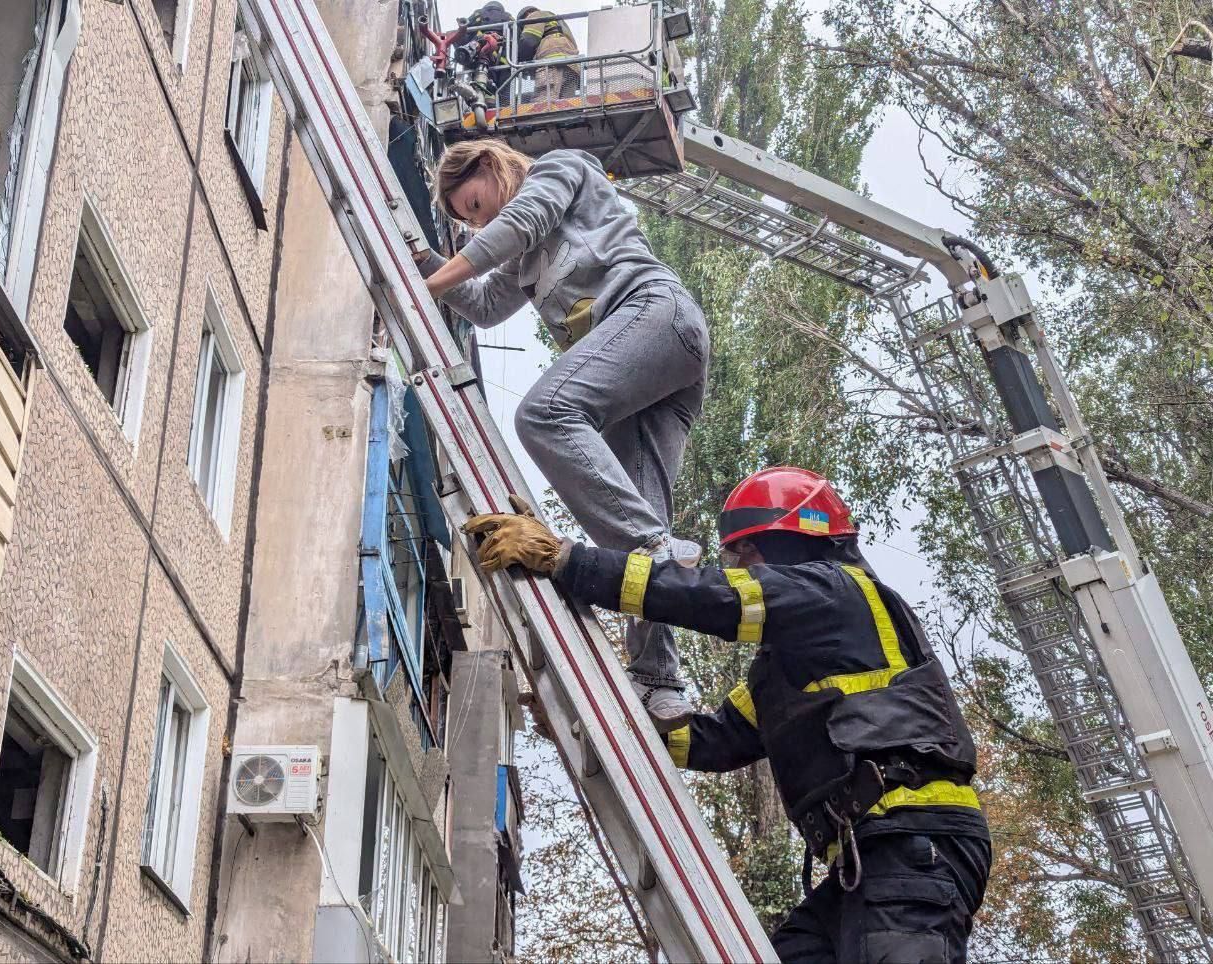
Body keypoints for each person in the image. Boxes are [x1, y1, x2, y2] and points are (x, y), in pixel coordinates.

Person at [464, 466, 991, 963]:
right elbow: (713, 741)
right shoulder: (789, 669)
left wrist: (567, 559)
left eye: (748, 554)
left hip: (918, 843)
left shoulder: (837, 594)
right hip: (876, 854)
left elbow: (713, 597)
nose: (740, 568)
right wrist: (583, 723)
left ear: (793, 543)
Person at [417, 138, 709, 732]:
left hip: (655, 316)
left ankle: (656, 554)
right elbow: (480, 304)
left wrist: (433, 282)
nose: (479, 224)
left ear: (493, 168)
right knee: (638, 510)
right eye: (469, 220)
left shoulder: (560, 170)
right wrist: (420, 263)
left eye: (475, 204)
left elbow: (520, 221)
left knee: (544, 413)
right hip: (645, 375)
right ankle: (660, 682)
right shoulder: (524, 265)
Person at [516, 6, 580, 103]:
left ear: (526, 15)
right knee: (567, 105)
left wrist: (521, 64)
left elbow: (528, 40)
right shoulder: (558, 21)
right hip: (572, 66)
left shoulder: (535, 15)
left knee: (543, 102)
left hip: (550, 64)